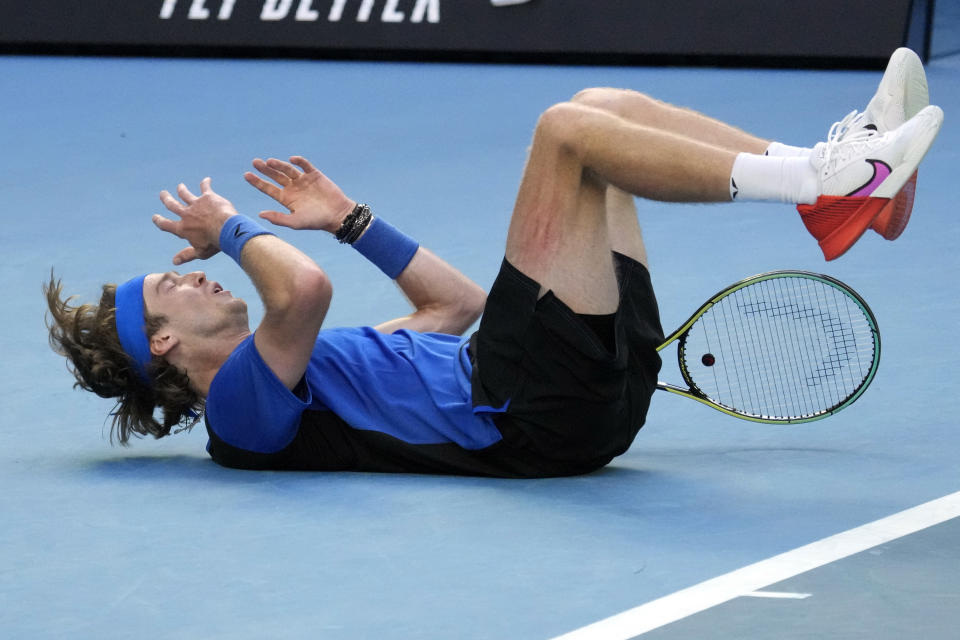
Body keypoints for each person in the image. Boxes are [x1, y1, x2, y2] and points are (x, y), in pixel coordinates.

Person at [45, 49, 943, 477]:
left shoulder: (316, 378)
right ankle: (832, 186)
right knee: (564, 133)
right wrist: (232, 227)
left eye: (188, 266)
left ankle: (840, 183)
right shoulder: (239, 414)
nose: (198, 275)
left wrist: (351, 219)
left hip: (553, 394)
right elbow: (303, 289)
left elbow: (455, 306)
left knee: (601, 103)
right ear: (162, 346)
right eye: (177, 287)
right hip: (530, 411)